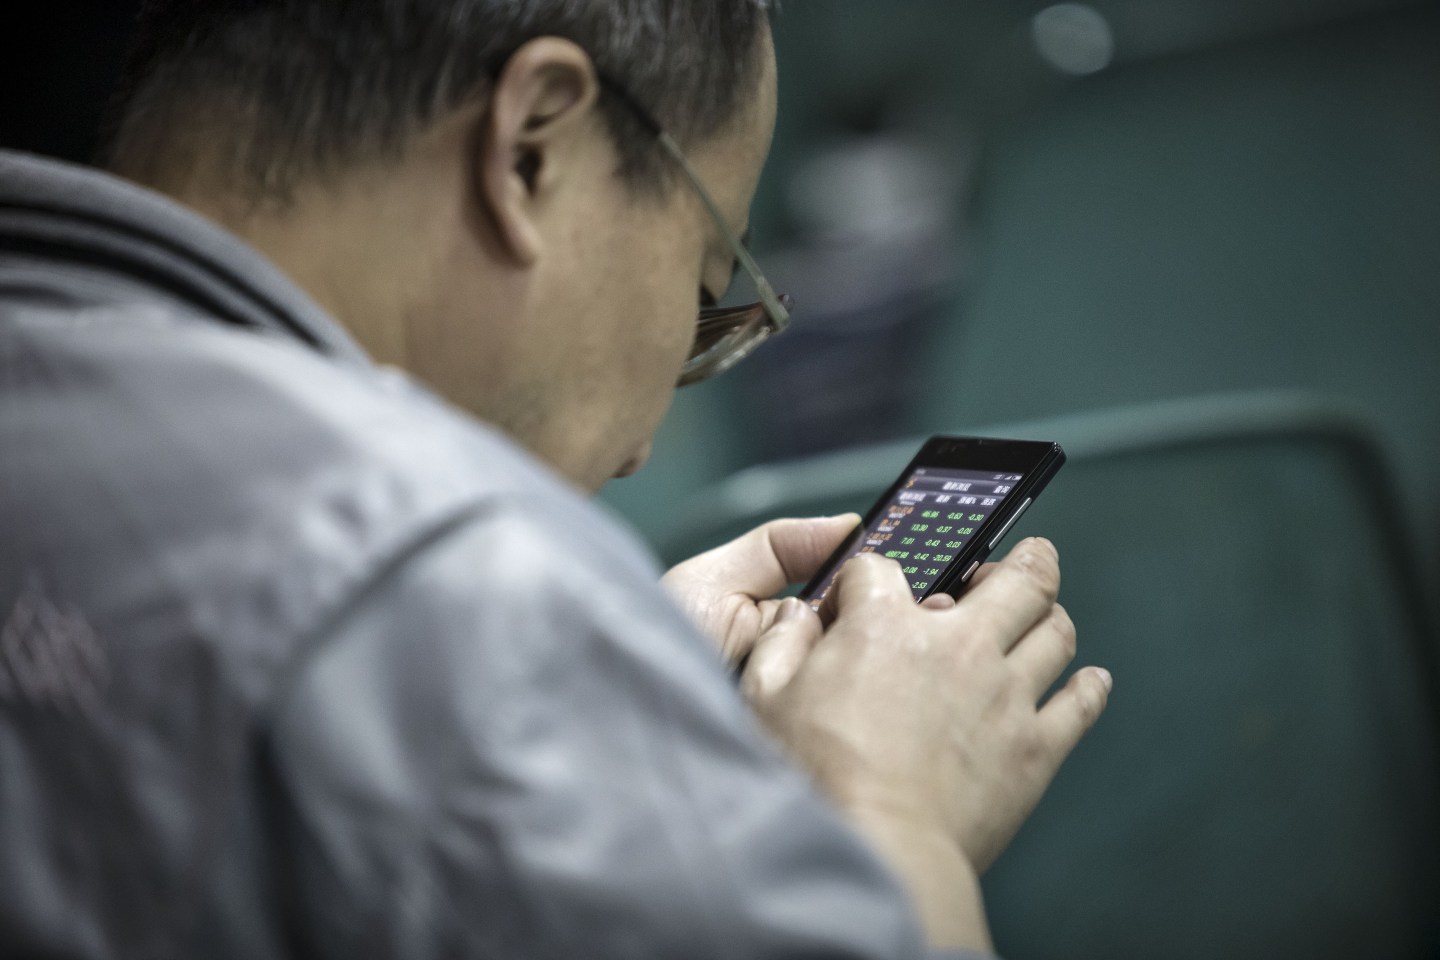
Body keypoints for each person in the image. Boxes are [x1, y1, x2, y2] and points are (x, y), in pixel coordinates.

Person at [0, 1, 1111, 957]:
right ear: (534, 147)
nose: (638, 452)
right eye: (703, 290)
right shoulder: (435, 574)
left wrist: (590, 703)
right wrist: (889, 815)